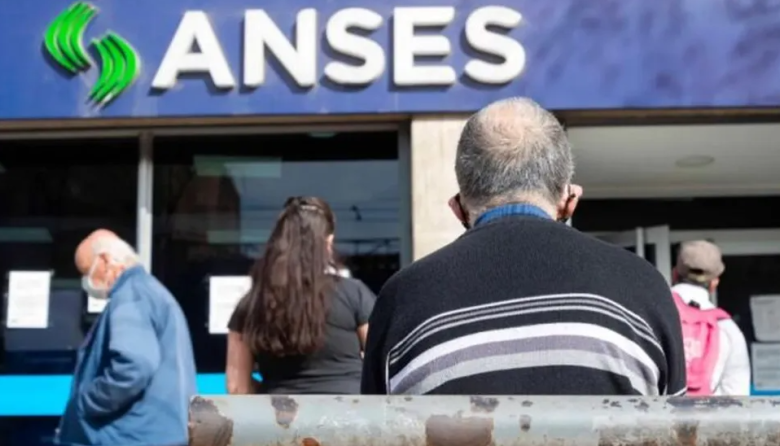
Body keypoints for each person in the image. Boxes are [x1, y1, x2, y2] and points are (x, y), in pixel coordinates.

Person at [361, 97, 687, 396]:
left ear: (458, 209)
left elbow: (373, 429)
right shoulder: (642, 285)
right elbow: (678, 426)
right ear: (570, 201)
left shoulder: (402, 298)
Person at [56, 229, 196, 446]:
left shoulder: (131, 295)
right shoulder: (150, 291)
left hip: (132, 435)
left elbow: (134, 366)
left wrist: (86, 403)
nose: (86, 281)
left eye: (86, 271)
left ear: (105, 261)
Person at [226, 196, 376, 394]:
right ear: (328, 242)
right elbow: (383, 363)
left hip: (280, 413)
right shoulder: (354, 294)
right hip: (351, 411)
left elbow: (237, 387)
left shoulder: (252, 304)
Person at [671, 240, 751, 395]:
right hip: (704, 410)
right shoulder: (727, 328)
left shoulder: (652, 312)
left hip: (652, 410)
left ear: (674, 273)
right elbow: (737, 396)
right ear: (714, 283)